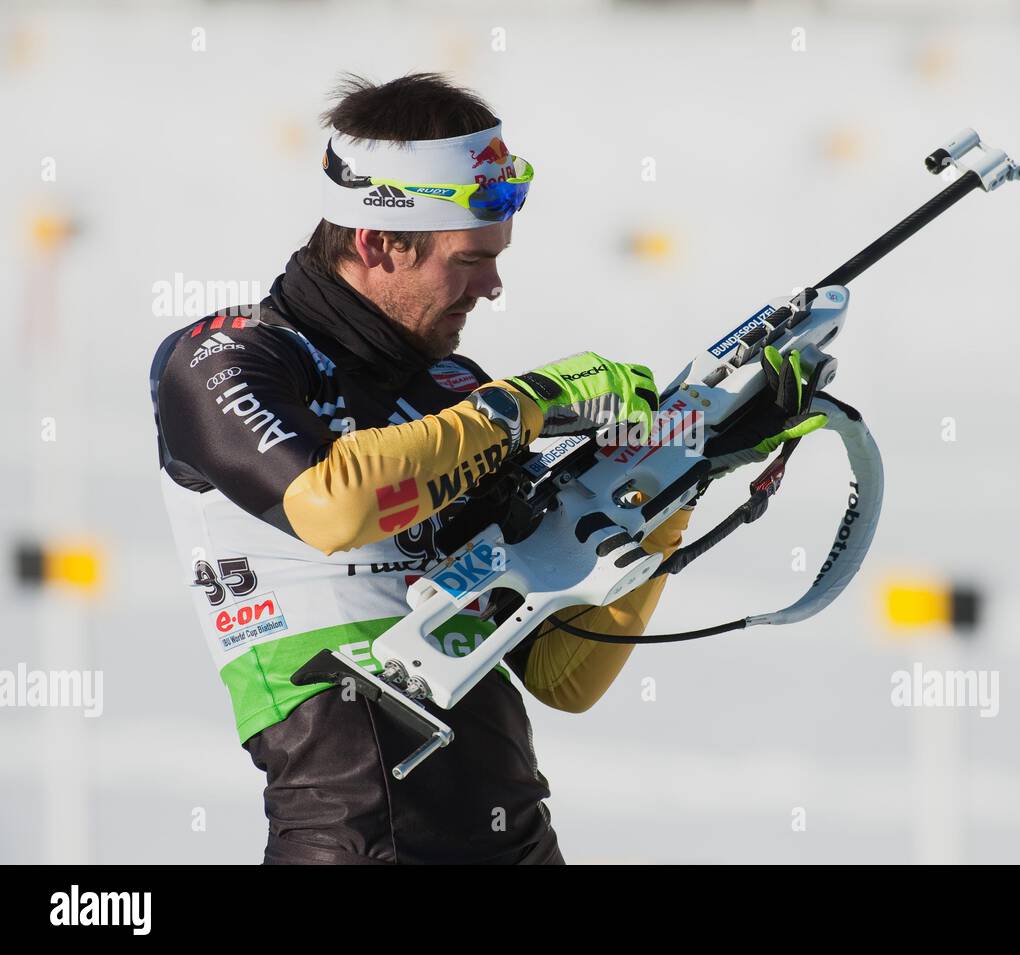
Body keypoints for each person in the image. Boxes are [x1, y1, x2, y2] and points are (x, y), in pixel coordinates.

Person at [149, 72, 818, 865]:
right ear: (377, 242)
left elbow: (562, 670)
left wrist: (680, 475)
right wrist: (525, 404)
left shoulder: (452, 391)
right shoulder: (226, 357)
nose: (492, 287)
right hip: (353, 840)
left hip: (518, 839)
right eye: (467, 260)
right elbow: (332, 504)